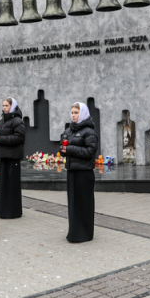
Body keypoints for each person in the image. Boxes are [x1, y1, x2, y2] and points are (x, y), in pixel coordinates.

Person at [59, 102, 98, 243]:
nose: (73, 115)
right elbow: (63, 146)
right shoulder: (69, 130)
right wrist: (63, 150)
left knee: (84, 204)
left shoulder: (89, 132)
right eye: (72, 113)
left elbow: (90, 152)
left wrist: (69, 149)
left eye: (76, 113)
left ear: (82, 113)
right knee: (74, 204)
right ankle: (75, 232)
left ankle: (85, 233)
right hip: (72, 171)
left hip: (84, 172)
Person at [0, 97, 25, 219]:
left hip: (13, 157)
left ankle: (13, 212)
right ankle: (3, 211)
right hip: (4, 156)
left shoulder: (18, 121)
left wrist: (1, 139)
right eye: (3, 105)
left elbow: (19, 138)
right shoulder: (2, 122)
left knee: (13, 185)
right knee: (4, 185)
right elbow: (1, 138)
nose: (4, 108)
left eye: (6, 106)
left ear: (12, 106)